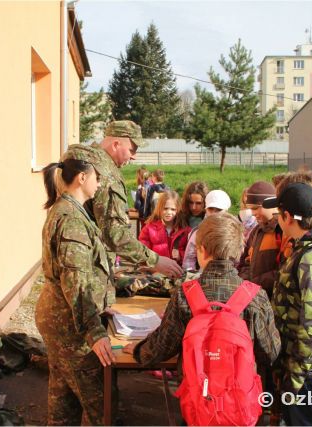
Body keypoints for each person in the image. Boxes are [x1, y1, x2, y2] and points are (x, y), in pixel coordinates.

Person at [123, 212, 281, 386]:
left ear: (202, 250)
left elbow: (163, 346)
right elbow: (271, 352)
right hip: (241, 392)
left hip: (197, 391)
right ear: (239, 251)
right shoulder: (256, 296)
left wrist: (139, 350)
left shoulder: (185, 295)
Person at [35, 159, 116, 425]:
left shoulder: (67, 209)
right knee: (101, 405)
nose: (99, 184)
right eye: (97, 178)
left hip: (61, 318)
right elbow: (76, 282)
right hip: (70, 325)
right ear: (82, 178)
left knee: (63, 400)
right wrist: (95, 332)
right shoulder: (72, 220)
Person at [62, 120, 182, 279]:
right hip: (88, 269)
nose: (134, 157)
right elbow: (115, 233)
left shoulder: (83, 160)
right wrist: (155, 260)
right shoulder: (106, 174)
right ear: (116, 144)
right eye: (132, 150)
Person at [267, 183, 312, 426]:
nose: (277, 219)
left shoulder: (311, 259)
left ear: (287, 217)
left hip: (307, 373)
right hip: (299, 367)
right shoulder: (302, 249)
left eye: (278, 214)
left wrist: (297, 375)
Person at [238, 181, 281, 298]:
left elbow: (284, 270)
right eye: (250, 209)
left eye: (256, 208)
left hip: (274, 299)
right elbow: (246, 262)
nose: (252, 214)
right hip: (254, 296)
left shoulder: (283, 231)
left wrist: (254, 283)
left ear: (271, 204)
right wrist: (243, 281)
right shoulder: (257, 231)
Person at [181, 189, 232, 272]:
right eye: (211, 209)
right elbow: (189, 260)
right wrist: (191, 276)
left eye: (219, 210)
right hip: (204, 276)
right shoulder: (198, 232)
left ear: (226, 211)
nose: (214, 213)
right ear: (206, 210)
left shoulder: (233, 231)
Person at [139, 190, 191, 265]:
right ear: (159, 208)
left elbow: (191, 255)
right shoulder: (149, 229)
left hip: (177, 269)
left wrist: (180, 255)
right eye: (165, 208)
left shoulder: (185, 230)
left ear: (178, 210)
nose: (169, 212)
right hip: (156, 269)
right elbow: (143, 252)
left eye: (173, 209)